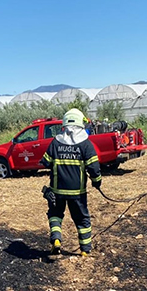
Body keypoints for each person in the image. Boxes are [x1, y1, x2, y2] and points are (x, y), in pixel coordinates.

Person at [40, 108, 101, 256]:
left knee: (55, 214)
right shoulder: (86, 144)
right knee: (82, 219)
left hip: (57, 191)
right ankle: (85, 250)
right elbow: (94, 167)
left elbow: (45, 162)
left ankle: (56, 240)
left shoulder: (56, 142)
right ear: (80, 123)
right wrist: (96, 182)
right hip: (77, 192)